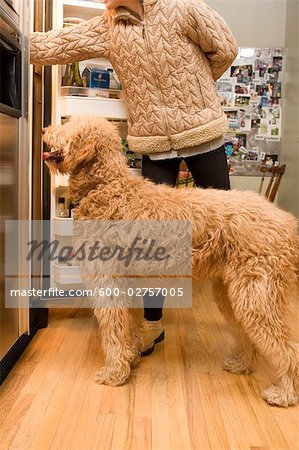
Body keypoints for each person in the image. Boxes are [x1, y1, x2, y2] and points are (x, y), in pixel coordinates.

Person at [30, 0, 238, 355]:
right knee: (152, 242)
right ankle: (152, 324)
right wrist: (15, 35)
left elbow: (225, 48)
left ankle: (242, 325)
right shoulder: (107, 26)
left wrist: (194, 91)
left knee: (231, 235)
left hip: (204, 133)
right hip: (154, 143)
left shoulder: (182, 7)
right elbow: (56, 45)